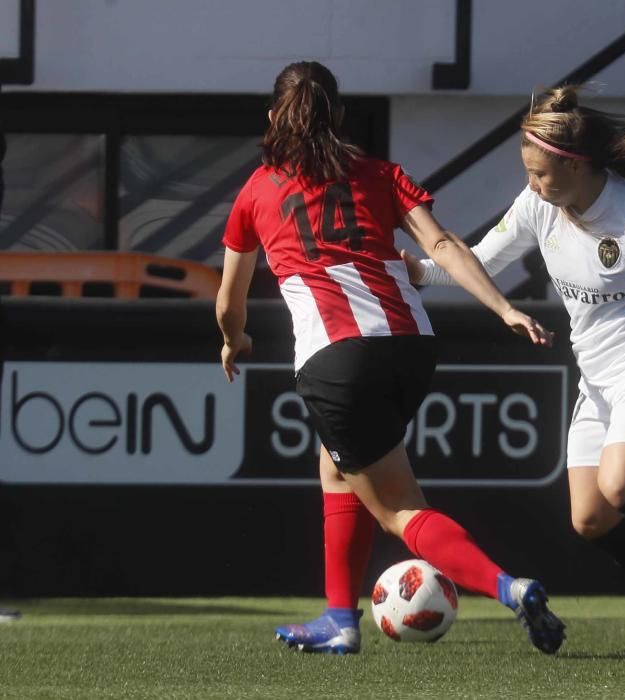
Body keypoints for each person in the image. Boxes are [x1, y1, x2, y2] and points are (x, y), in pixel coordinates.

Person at [215, 61, 565, 656]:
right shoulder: (378, 174)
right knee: (337, 468)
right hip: (412, 346)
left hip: (338, 360)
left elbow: (229, 300)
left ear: (274, 119)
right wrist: (502, 308)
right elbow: (443, 245)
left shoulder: (256, 190)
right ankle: (339, 620)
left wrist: (234, 340)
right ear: (341, 118)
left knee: (399, 508)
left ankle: (511, 588)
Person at [405, 85, 625, 648]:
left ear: (577, 166)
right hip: (596, 383)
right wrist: (421, 272)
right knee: (589, 518)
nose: (531, 184)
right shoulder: (537, 207)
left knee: (618, 487)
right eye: (527, 172)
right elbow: (483, 261)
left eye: (541, 174)